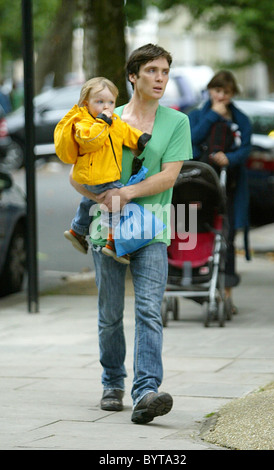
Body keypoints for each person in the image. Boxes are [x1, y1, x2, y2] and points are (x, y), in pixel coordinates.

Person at [67, 44, 193, 424]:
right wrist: (100, 197)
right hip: (106, 230)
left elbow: (169, 176)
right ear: (133, 76)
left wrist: (126, 193)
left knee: (149, 312)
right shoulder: (104, 116)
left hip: (152, 230)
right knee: (109, 315)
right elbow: (79, 175)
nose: (160, 78)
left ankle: (146, 392)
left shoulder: (177, 122)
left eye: (165, 71)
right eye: (152, 70)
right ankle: (112, 383)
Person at [54, 77, 151, 264]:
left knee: (89, 200)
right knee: (116, 202)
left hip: (103, 173)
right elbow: (90, 141)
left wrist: (139, 139)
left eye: (111, 102)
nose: (106, 107)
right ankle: (113, 243)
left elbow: (124, 131)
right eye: (99, 102)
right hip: (95, 174)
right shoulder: (83, 122)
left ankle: (77, 230)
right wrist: (102, 122)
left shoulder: (113, 120)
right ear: (86, 103)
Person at [188, 70, 252, 314]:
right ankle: (190, 280)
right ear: (210, 91)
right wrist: (213, 116)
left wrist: (230, 158)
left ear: (232, 93)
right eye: (217, 91)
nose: (221, 96)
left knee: (226, 238)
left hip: (231, 186)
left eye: (226, 92)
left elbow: (245, 148)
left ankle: (227, 294)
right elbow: (190, 140)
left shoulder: (241, 119)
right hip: (198, 186)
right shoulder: (196, 115)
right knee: (191, 231)